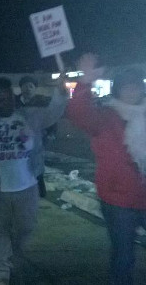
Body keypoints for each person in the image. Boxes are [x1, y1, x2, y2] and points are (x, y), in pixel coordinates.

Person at [0, 76, 67, 285]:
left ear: (13, 98)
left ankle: (9, 255)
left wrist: (61, 92)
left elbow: (53, 112)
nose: (3, 102)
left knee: (25, 229)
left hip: (26, 187)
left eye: (7, 97)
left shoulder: (29, 116)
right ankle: (1, 273)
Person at [67, 53, 146, 285]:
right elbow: (78, 113)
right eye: (126, 88)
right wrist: (85, 82)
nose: (132, 92)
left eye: (136, 87)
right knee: (123, 256)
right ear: (117, 91)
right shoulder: (104, 117)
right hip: (118, 200)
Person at [15, 75, 56, 198]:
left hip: (37, 140)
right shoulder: (14, 102)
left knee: (37, 167)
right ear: (21, 88)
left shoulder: (42, 102)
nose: (28, 89)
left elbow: (52, 119)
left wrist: (51, 133)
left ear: (35, 88)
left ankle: (39, 193)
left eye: (31, 86)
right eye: (25, 86)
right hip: (18, 142)